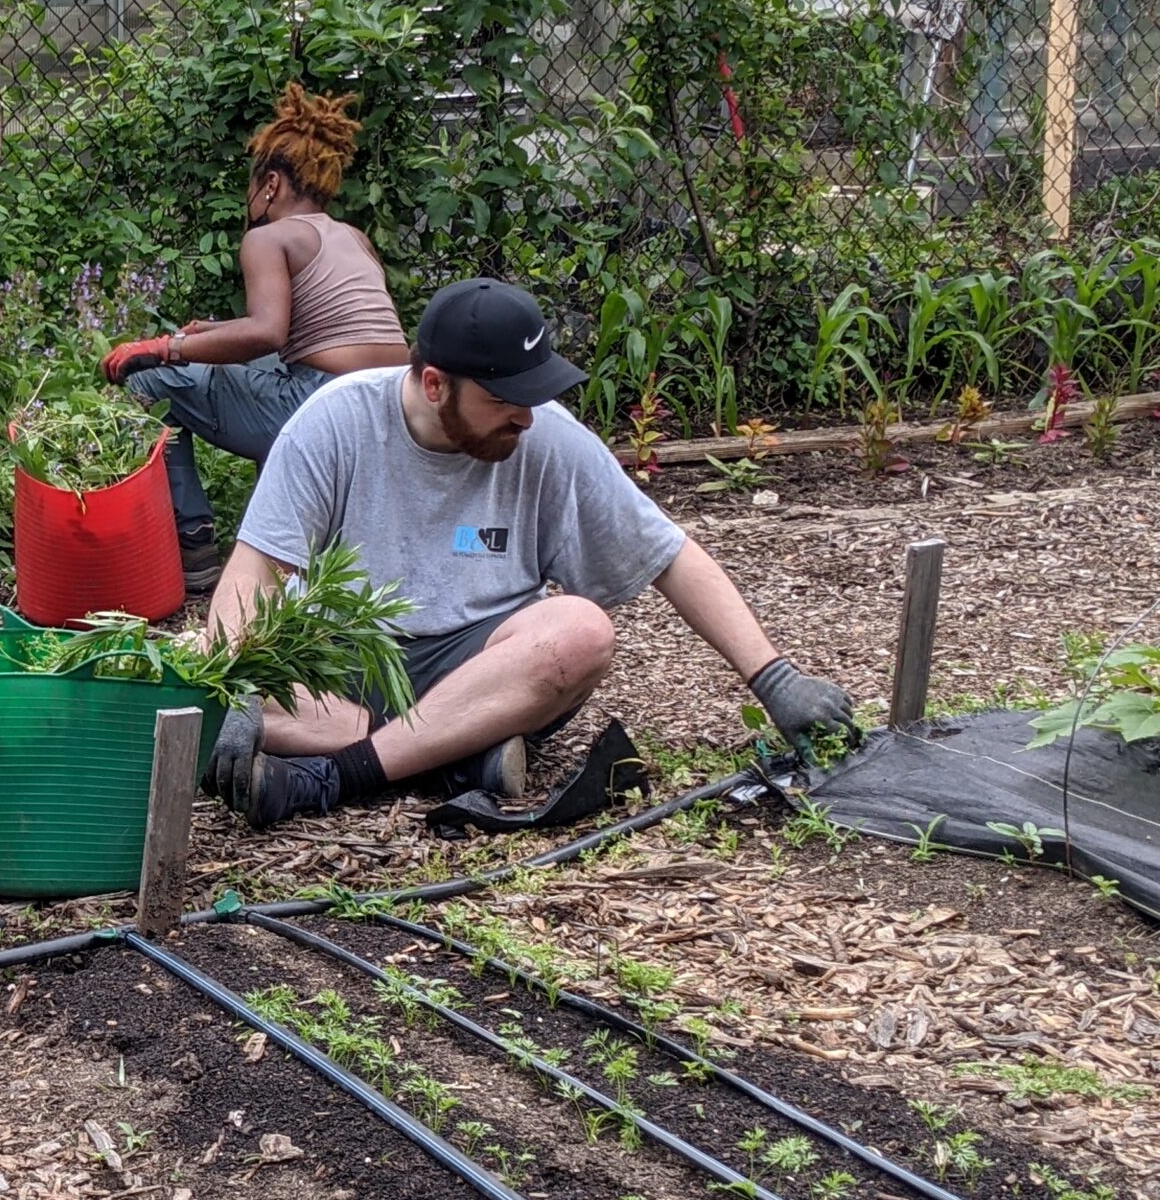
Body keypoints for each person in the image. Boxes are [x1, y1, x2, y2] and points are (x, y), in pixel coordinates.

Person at [201, 278, 860, 828]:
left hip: (480, 666)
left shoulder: (543, 436)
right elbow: (255, 571)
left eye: (533, 394)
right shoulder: (334, 423)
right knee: (202, 661)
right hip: (344, 661)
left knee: (581, 632)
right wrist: (238, 688)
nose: (525, 416)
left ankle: (330, 779)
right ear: (435, 384)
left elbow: (670, 555)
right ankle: (456, 755)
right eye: (503, 400)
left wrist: (774, 680)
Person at [100, 86, 409, 601]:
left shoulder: (268, 238)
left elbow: (268, 332)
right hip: (388, 405)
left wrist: (164, 348)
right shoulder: (353, 237)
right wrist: (210, 334)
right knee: (241, 360)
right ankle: (292, 540)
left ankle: (193, 541)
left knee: (154, 378)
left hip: (321, 405)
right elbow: (307, 335)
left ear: (270, 183)